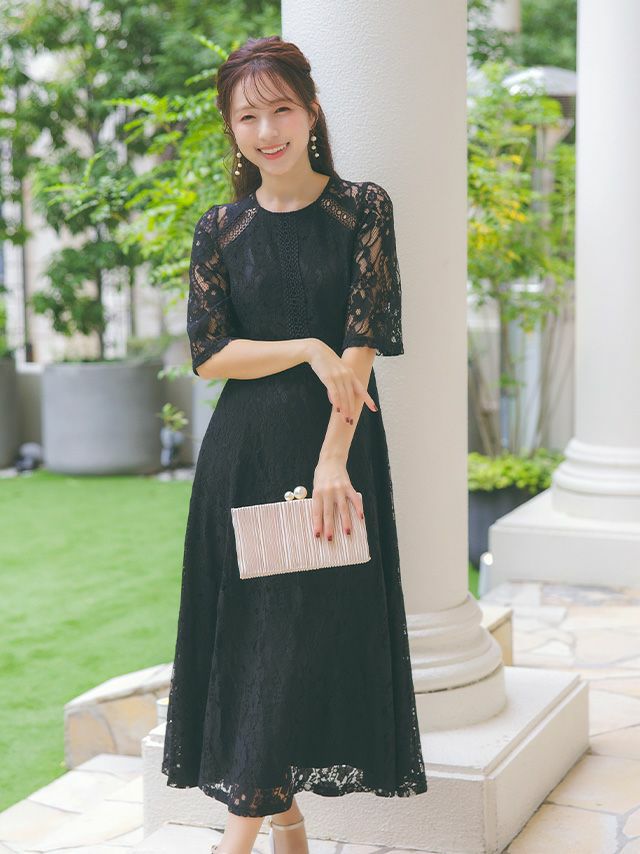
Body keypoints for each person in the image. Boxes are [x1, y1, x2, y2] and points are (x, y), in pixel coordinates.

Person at [161, 34, 429, 854]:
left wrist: (331, 460)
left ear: (311, 111)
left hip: (333, 458)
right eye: (248, 116)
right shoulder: (220, 228)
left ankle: (240, 841)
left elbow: (362, 344)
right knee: (255, 644)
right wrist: (306, 348)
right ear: (230, 128)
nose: (267, 130)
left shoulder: (363, 209)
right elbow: (211, 356)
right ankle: (283, 826)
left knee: (295, 644)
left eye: (281, 109)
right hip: (242, 456)